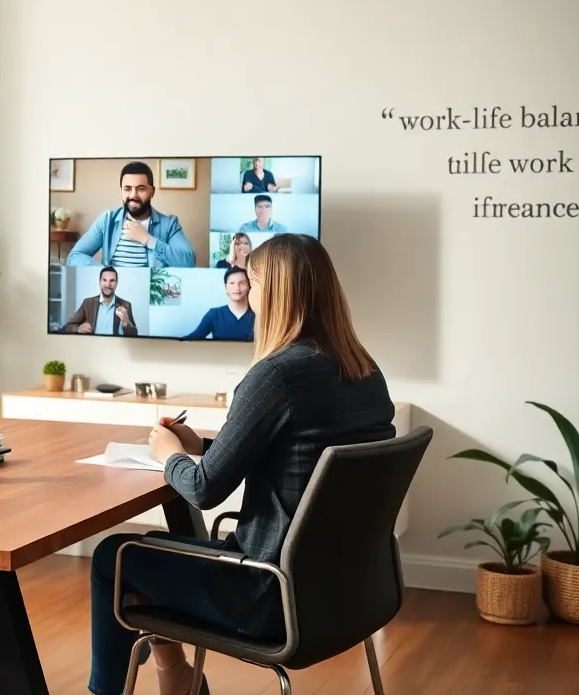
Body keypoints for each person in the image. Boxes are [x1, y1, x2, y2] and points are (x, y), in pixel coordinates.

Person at [86, 234, 396, 695]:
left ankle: (130, 687)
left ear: (272, 292)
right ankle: (177, 677)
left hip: (268, 598)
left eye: (252, 283)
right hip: (350, 596)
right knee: (156, 548)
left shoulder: (276, 375)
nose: (246, 293)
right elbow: (298, 455)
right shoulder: (363, 369)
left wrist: (168, 453)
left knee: (116, 556)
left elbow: (204, 490)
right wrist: (204, 444)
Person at [67, 161, 196, 268]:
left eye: (141, 189)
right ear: (121, 191)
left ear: (152, 192)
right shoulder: (107, 220)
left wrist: (148, 240)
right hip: (114, 293)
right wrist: (107, 274)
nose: (133, 195)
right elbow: (75, 256)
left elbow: (188, 262)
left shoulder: (169, 224)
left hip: (149, 295)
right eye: (127, 188)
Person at [63, 266, 138, 336]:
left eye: (112, 281)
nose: (108, 284)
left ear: (116, 283)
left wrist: (127, 322)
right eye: (104, 280)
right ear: (99, 282)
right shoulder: (88, 303)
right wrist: (78, 329)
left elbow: (134, 335)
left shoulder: (125, 305)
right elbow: (67, 327)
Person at [184, 267, 254, 341]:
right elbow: (192, 338)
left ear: (249, 286)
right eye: (232, 283)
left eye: (242, 283)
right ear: (225, 287)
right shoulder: (214, 314)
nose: (236, 288)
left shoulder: (258, 315)